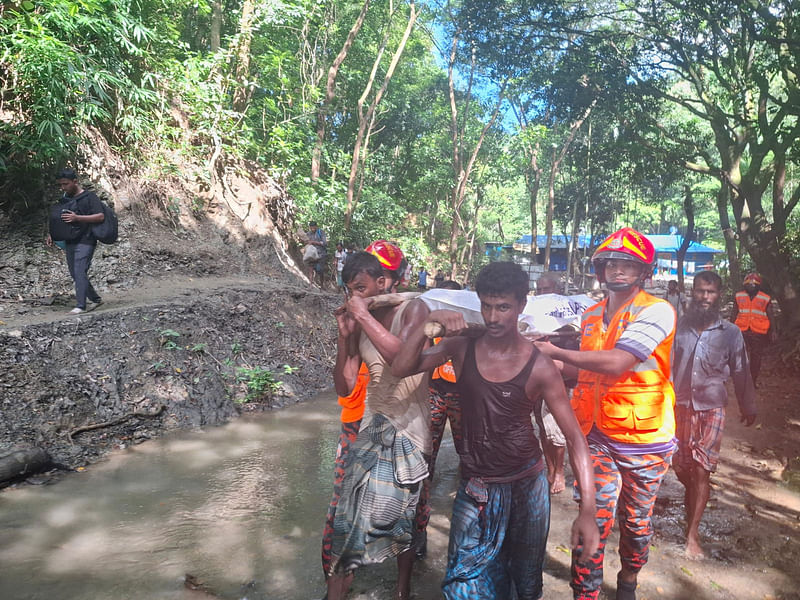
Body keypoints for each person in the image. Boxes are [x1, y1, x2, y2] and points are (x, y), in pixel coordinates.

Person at [393, 261, 599, 600]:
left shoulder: (541, 366)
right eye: (486, 306)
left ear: (521, 306)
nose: (493, 317)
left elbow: (575, 438)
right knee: (463, 586)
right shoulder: (460, 348)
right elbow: (401, 368)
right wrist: (427, 328)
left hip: (527, 487)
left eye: (503, 307)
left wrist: (587, 511)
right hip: (476, 487)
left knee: (524, 583)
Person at [534, 227, 676, 600]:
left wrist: (558, 353)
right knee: (591, 517)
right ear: (600, 270)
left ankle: (628, 579)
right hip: (594, 436)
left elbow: (617, 362)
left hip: (645, 440)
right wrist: (535, 357)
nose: (617, 270)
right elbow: (585, 371)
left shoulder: (657, 310)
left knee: (636, 525)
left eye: (628, 264)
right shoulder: (592, 314)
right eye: (610, 263)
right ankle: (586, 593)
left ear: (644, 272)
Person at [326, 250, 430, 600]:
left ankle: (402, 589)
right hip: (372, 428)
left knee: (404, 521)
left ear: (384, 283)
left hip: (409, 433)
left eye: (360, 288)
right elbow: (344, 386)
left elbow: (402, 361)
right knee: (346, 524)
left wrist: (362, 317)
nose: (353, 297)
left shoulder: (413, 310)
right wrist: (345, 336)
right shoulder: (359, 321)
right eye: (350, 290)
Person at [671, 270, 756, 559]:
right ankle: (694, 494)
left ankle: (692, 535)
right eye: (700, 291)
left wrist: (749, 405)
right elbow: (664, 365)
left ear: (719, 295)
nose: (705, 297)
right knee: (681, 467)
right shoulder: (679, 327)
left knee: (701, 469)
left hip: (712, 407)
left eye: (710, 292)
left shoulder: (730, 333)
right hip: (679, 406)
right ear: (692, 292)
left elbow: (742, 370)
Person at [413, 279, 463, 560]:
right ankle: (420, 519)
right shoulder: (429, 324)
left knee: (466, 448)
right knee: (426, 451)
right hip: (433, 391)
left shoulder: (468, 327)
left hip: (461, 394)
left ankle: (468, 506)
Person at [45, 168, 106, 314]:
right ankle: (96, 299)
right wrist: (52, 234)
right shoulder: (65, 199)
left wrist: (77, 218)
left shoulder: (89, 197)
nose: (63, 188)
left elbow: (100, 216)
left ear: (75, 182)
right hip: (71, 240)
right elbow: (61, 219)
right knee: (75, 272)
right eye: (60, 185)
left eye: (65, 184)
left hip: (87, 239)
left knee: (79, 269)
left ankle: (80, 305)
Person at [534, 272, 570, 494]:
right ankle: (550, 468)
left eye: (545, 290)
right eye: (538, 290)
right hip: (536, 380)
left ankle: (559, 471)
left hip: (562, 380)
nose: (540, 294)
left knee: (557, 431)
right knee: (542, 427)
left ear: (556, 290)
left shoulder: (568, 317)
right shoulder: (534, 315)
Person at [731, 272, 776, 386]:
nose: (751, 286)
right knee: (740, 356)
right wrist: (730, 329)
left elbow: (770, 315)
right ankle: (742, 379)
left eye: (754, 284)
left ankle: (752, 381)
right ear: (744, 285)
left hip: (758, 331)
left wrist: (773, 330)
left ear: (758, 285)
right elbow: (734, 313)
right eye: (748, 284)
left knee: (756, 357)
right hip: (741, 330)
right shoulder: (739, 296)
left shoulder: (765, 298)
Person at [304, 221, 328, 287]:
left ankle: (321, 285)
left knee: (320, 270)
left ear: (316, 226)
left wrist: (314, 242)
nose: (312, 229)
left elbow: (325, 243)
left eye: (313, 227)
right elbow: (306, 242)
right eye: (311, 227)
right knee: (310, 269)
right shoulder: (308, 234)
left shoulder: (321, 232)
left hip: (321, 254)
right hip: (311, 254)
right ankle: (310, 285)